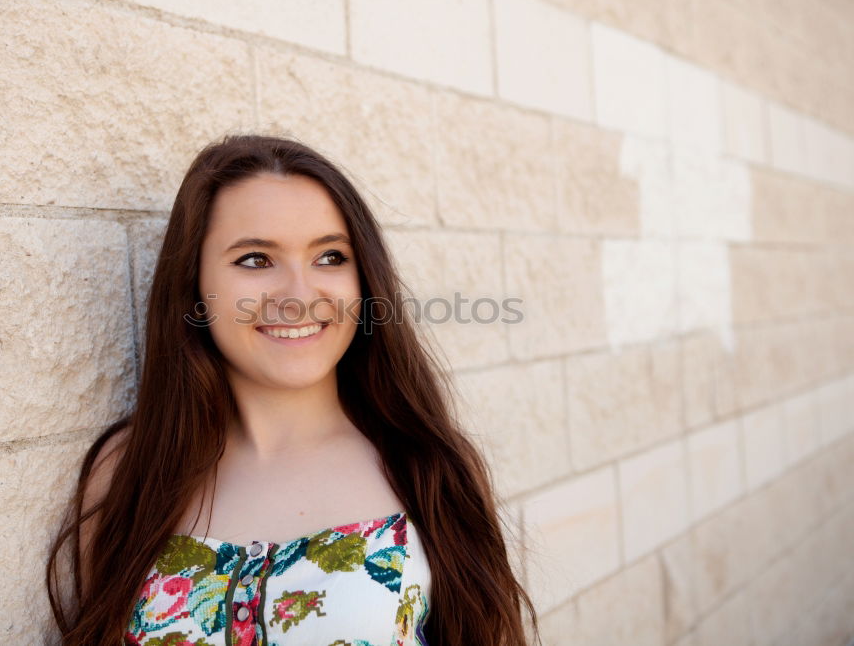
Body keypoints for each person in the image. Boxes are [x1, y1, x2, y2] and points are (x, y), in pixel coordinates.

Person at [45, 133, 540, 645]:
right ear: (193, 284)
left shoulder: (423, 464)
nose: (300, 296)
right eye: (256, 259)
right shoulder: (128, 470)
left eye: (329, 257)